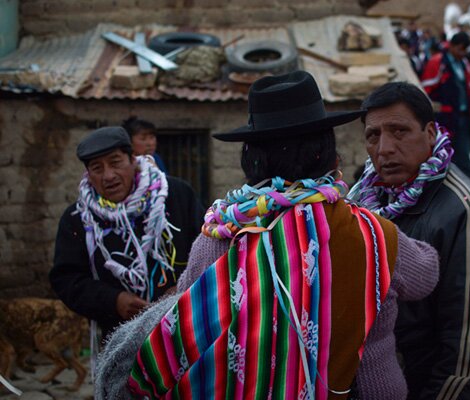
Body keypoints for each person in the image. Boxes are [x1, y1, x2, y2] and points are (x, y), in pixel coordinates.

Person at [94, 71, 440, 399]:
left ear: (253, 158)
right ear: (326, 151)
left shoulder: (220, 233)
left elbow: (184, 321)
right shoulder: (373, 235)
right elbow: (426, 274)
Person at [349, 81, 470, 400]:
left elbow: (469, 348)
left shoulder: (465, 212)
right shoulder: (360, 198)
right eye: (373, 136)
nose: (385, 149)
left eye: (399, 131)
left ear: (431, 133)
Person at [49, 127, 200, 338]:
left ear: (133, 160)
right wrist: (113, 301)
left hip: (187, 326)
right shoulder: (78, 218)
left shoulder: (175, 195)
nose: (108, 175)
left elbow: (208, 250)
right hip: (121, 338)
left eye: (115, 162)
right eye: (97, 168)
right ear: (88, 174)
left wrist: (183, 286)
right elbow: (66, 279)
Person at [421, 31, 470, 178]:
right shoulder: (438, 62)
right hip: (444, 119)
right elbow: (426, 88)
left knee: (463, 157)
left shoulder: (463, 63)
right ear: (451, 46)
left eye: (465, 50)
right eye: (460, 49)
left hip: (462, 116)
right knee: (444, 157)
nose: (463, 53)